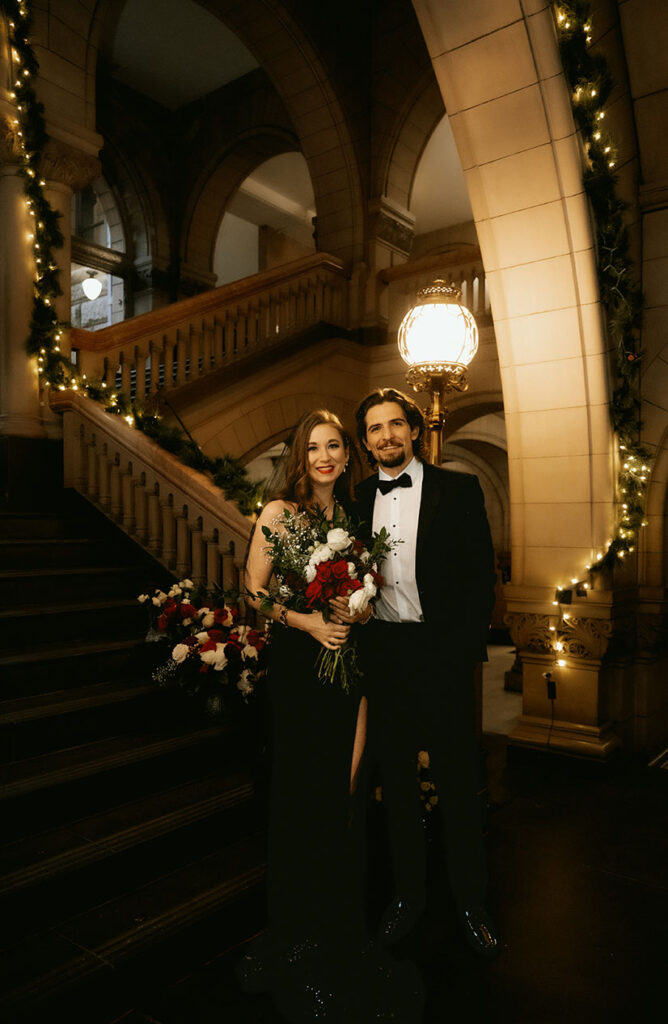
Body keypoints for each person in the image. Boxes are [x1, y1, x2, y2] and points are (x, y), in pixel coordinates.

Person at [237, 408, 422, 1023]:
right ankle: (298, 938)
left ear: (347, 457)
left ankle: (339, 928)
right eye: (313, 446)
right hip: (299, 670)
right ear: (301, 455)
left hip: (348, 669)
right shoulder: (278, 514)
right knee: (302, 798)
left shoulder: (350, 518)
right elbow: (254, 591)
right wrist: (309, 621)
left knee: (342, 798)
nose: (324, 456)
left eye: (334, 446)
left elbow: (361, 593)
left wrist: (358, 609)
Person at [346, 387, 499, 958]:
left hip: (443, 658)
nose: (385, 436)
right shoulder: (355, 500)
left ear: (413, 430)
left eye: (394, 425)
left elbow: (480, 580)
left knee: (459, 785)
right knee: (400, 790)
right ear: (365, 442)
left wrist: (458, 653)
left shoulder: (458, 489)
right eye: (374, 429)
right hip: (384, 659)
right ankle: (407, 899)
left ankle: (471, 903)